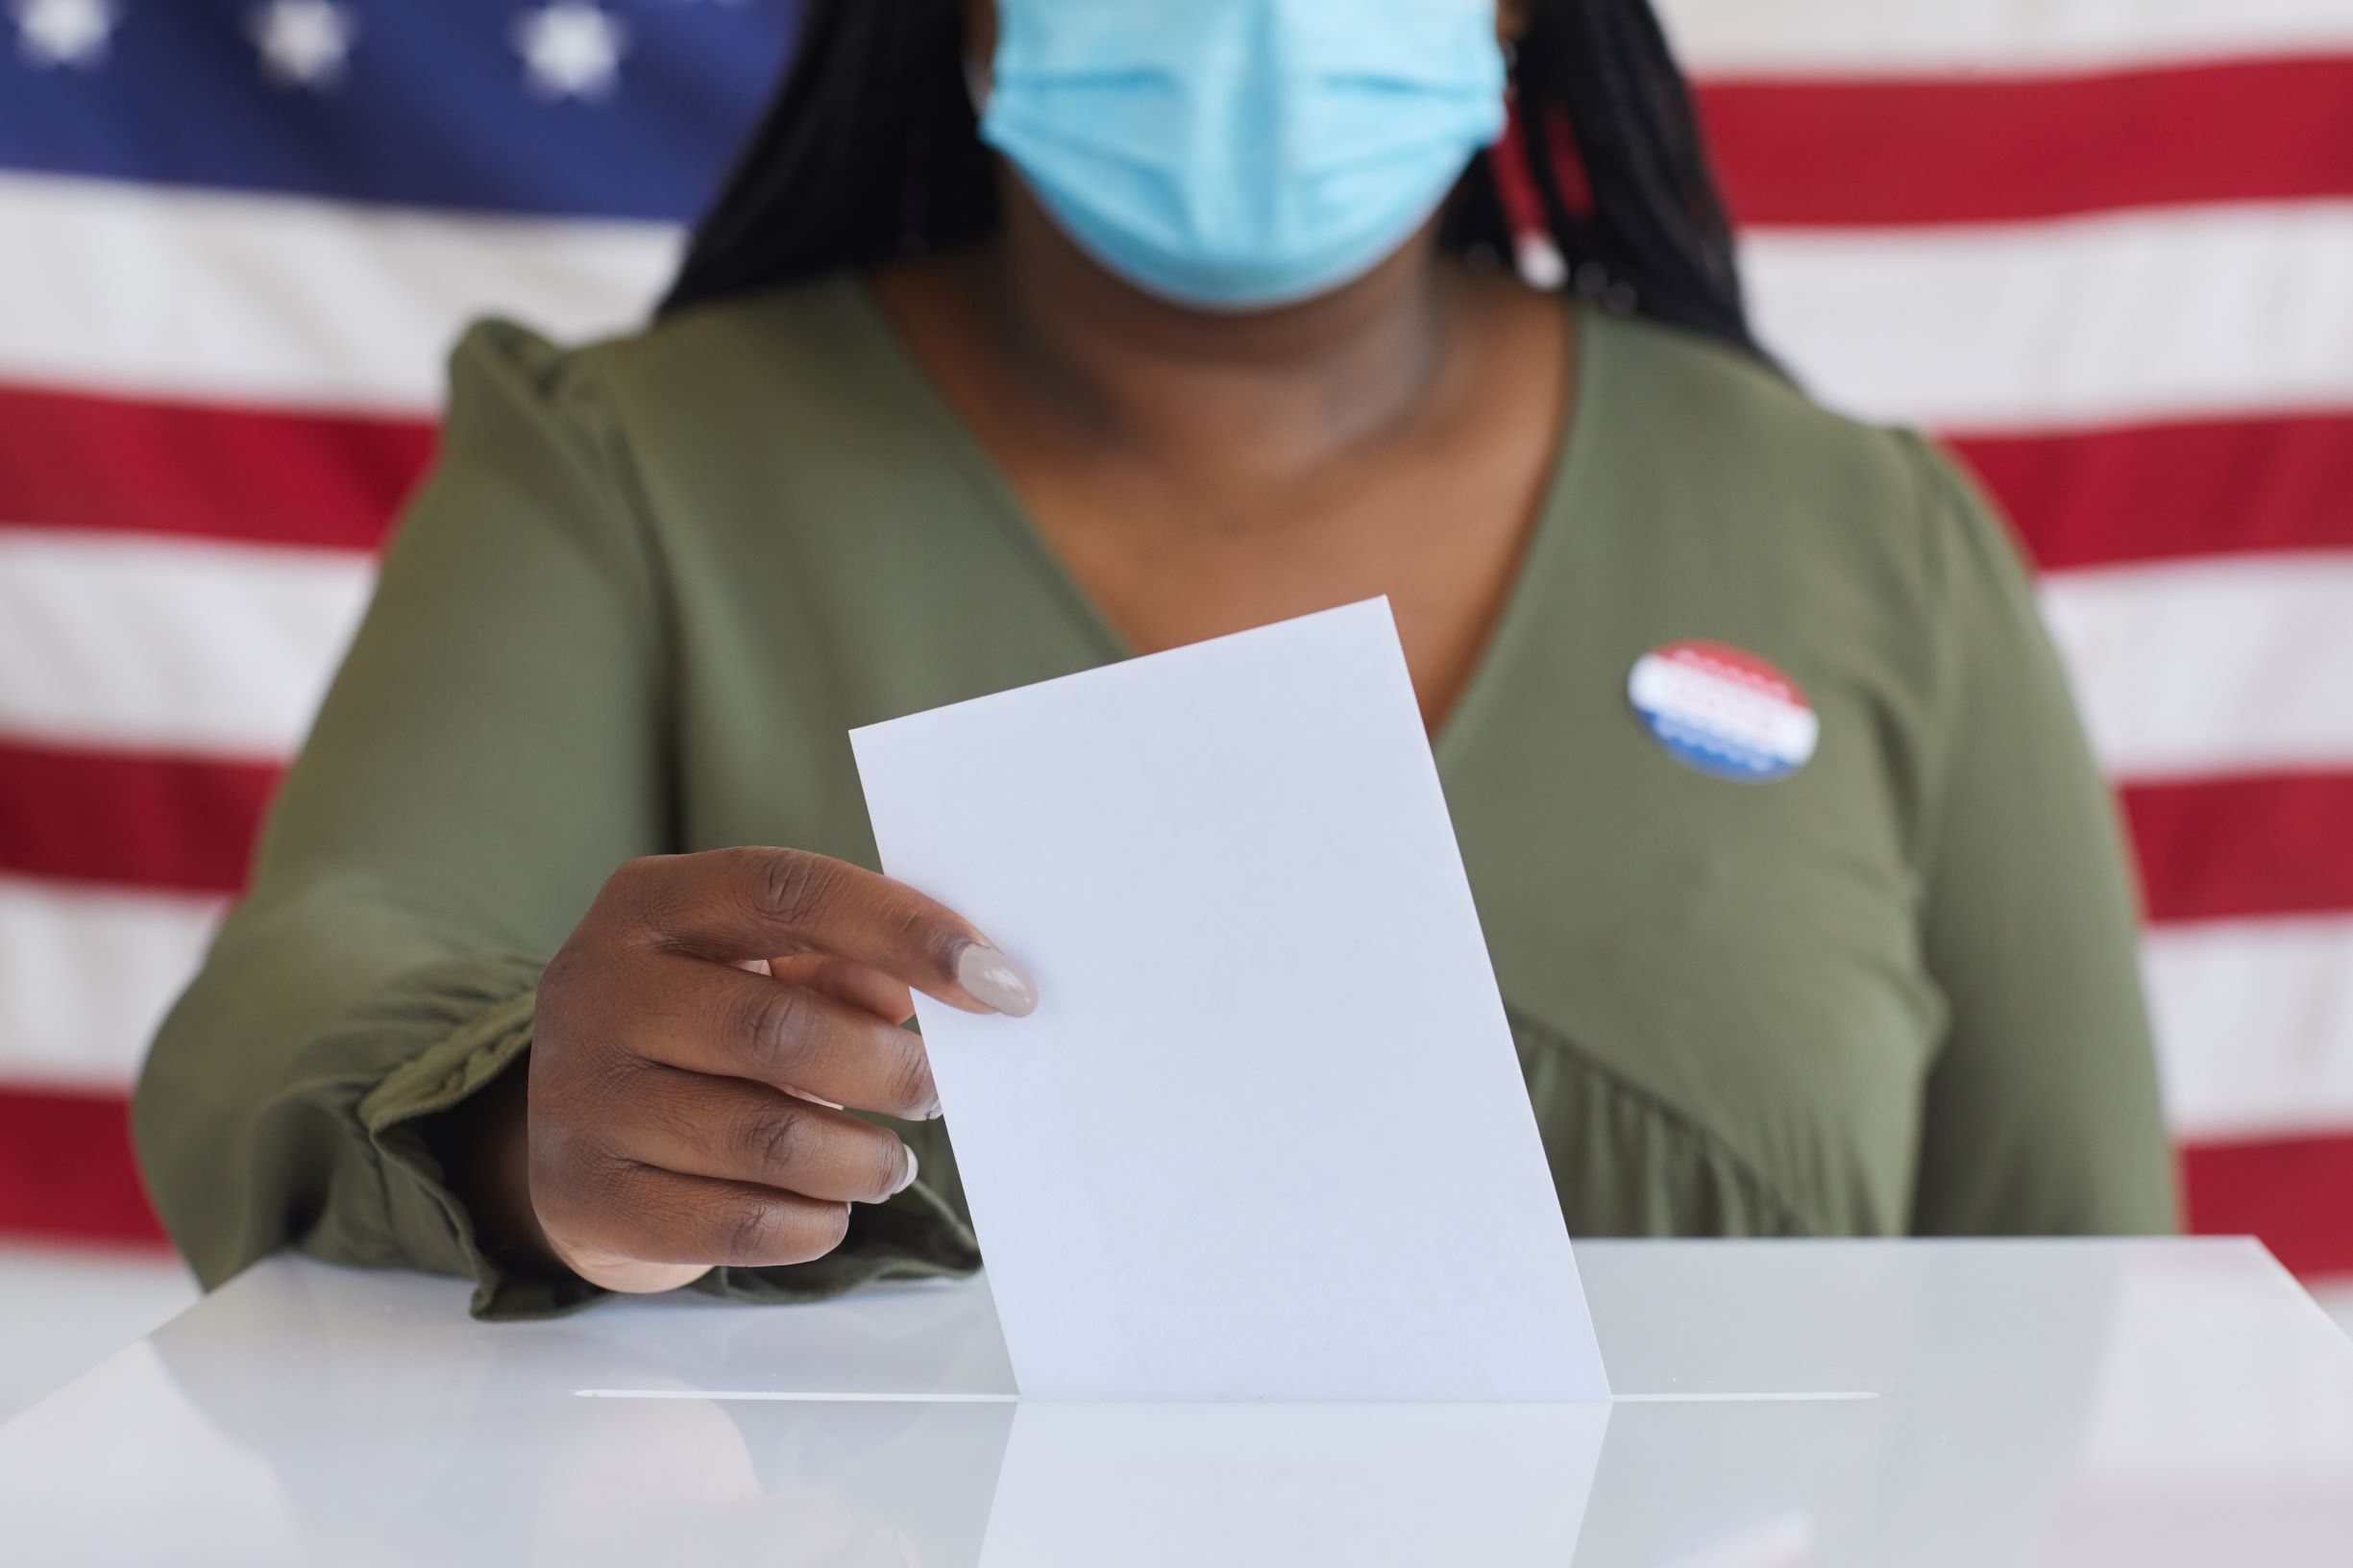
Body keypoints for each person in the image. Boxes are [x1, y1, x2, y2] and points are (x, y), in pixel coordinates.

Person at [135, 0, 2175, 1318]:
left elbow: (2106, 1350)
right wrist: (515, 1131)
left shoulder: (1871, 540)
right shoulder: (627, 470)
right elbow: (309, 986)